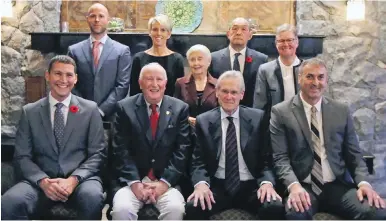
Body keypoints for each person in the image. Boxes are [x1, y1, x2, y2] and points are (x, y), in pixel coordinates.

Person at [270, 58, 386, 220]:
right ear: (299, 78)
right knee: (295, 213)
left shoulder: (341, 111)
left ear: (326, 80)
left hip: (337, 186)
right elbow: (280, 158)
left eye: (320, 77)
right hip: (303, 186)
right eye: (309, 76)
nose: (315, 82)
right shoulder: (281, 112)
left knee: (376, 211)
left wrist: (364, 184)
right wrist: (293, 186)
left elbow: (354, 155)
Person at [1, 55, 106, 220]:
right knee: (9, 201)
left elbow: (97, 154)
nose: (63, 80)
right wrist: (43, 181)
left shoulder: (90, 110)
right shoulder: (30, 112)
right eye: (58, 73)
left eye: (69, 75)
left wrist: (73, 180)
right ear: (47, 76)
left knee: (92, 196)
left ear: (76, 79)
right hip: (40, 181)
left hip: (80, 180)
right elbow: (22, 156)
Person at [185, 70, 284, 220]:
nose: (229, 97)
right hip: (218, 186)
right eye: (224, 91)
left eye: (234, 92)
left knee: (274, 206)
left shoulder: (258, 118)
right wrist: (201, 184)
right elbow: (198, 161)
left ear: (242, 95)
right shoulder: (203, 121)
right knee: (194, 206)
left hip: (251, 185)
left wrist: (266, 183)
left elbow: (267, 160)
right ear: (217, 92)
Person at [110, 63, 190, 220]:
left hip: (167, 182)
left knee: (175, 209)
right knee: (122, 210)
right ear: (140, 84)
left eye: (159, 79)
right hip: (132, 181)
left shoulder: (180, 109)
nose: (154, 84)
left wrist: (164, 183)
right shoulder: (124, 108)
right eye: (149, 79)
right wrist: (135, 183)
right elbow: (120, 150)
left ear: (165, 84)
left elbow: (182, 151)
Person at [68, 3, 131, 120]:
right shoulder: (74, 51)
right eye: (93, 16)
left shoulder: (122, 51)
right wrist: (85, 108)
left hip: (111, 116)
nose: (97, 20)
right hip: (80, 115)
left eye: (101, 16)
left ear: (108, 20)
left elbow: (122, 86)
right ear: (87, 19)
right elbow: (70, 82)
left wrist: (101, 111)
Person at [209, 17, 268, 107]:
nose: (238, 33)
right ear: (228, 34)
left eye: (243, 29)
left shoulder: (261, 59)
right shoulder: (213, 58)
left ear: (250, 35)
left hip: (251, 113)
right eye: (235, 28)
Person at [130, 14, 185, 97]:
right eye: (155, 29)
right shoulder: (139, 58)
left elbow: (179, 91)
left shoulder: (177, 59)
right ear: (150, 32)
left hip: (170, 108)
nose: (158, 33)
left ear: (169, 34)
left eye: (163, 30)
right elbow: (134, 91)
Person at [253, 23, 302, 116]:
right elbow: (259, 103)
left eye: (289, 40)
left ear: (297, 42)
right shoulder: (265, 70)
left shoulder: (307, 68)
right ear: (276, 44)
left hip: (303, 122)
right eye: (281, 41)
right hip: (275, 123)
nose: (286, 44)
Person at [174, 44, 218, 127]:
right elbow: (175, 110)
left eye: (200, 59)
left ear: (208, 61)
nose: (196, 63)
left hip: (211, 131)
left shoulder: (218, 84)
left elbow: (220, 112)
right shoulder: (180, 83)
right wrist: (187, 119)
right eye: (192, 60)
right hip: (187, 131)